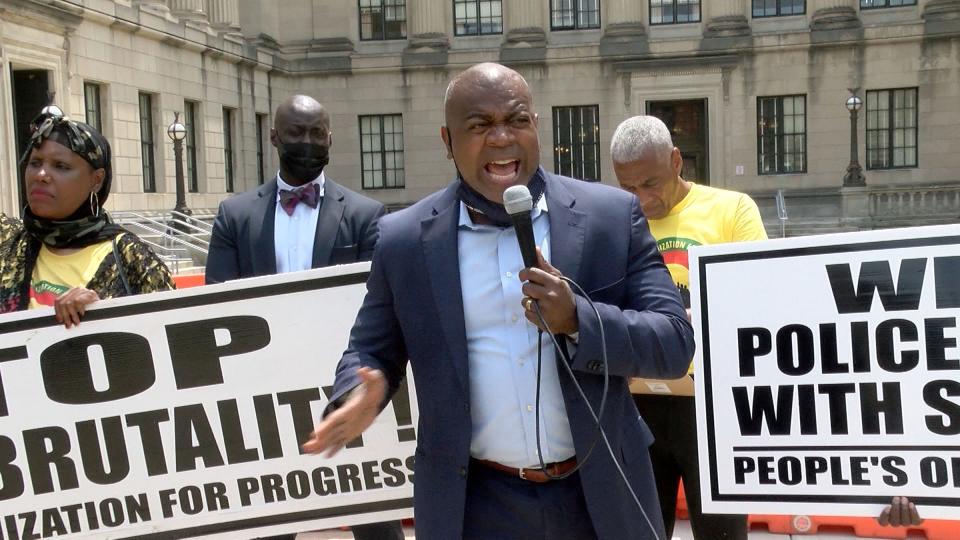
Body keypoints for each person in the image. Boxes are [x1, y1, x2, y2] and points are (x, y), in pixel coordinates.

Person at [303, 63, 695, 540]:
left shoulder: (611, 217)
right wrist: (359, 393)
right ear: (448, 142)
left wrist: (579, 320)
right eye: (480, 126)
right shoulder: (404, 240)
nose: (502, 137)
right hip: (475, 506)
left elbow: (674, 343)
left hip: (601, 497)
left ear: (536, 126)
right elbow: (371, 348)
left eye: (516, 120)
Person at [205, 95, 404, 540]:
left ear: (330, 138)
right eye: (297, 132)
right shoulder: (234, 216)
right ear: (275, 137)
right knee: (272, 526)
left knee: (376, 522)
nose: (308, 141)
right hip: (265, 400)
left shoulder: (365, 215)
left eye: (317, 132)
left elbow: (379, 305)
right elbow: (217, 306)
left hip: (345, 388)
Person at [610, 115, 768, 540]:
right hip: (638, 405)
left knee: (722, 534)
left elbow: (759, 301)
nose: (642, 199)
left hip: (712, 408)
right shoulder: (613, 221)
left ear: (677, 161)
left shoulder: (732, 210)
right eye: (628, 188)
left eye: (651, 183)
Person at [0, 111, 173, 323]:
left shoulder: (132, 259)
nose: (41, 175)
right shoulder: (7, 241)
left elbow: (179, 341)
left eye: (60, 166)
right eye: (35, 163)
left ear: (96, 180)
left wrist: (103, 313)